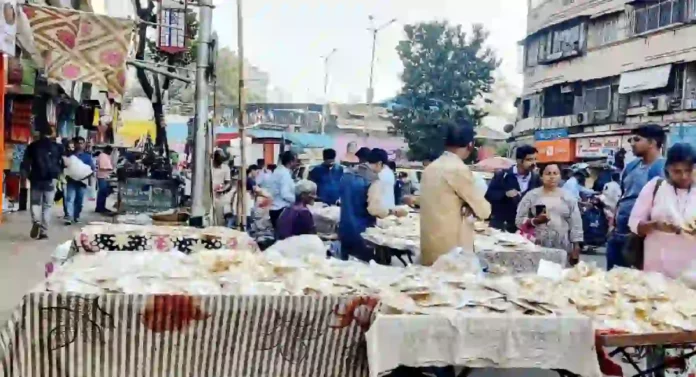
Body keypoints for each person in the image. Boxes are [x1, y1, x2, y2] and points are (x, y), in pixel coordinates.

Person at [420, 121, 492, 266]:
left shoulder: (431, 168)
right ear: (470, 145)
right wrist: (469, 205)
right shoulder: (457, 169)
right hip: (451, 250)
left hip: (429, 243)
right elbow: (484, 211)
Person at [629, 143, 696, 278]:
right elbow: (633, 223)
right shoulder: (656, 186)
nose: (683, 176)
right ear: (667, 169)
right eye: (677, 171)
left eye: (688, 170)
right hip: (657, 270)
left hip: (691, 272)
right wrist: (655, 225)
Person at [607, 124, 666, 269]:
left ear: (652, 143)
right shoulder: (631, 166)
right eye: (631, 140)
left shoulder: (663, 169)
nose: (632, 144)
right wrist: (612, 224)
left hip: (639, 239)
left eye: (637, 139)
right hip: (618, 234)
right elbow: (623, 196)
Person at [339, 148, 408, 261]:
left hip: (344, 231)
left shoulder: (346, 175)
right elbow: (375, 210)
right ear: (379, 163)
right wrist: (394, 212)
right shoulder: (373, 180)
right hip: (363, 234)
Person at [516, 164, 584, 265]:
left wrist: (576, 248)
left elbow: (576, 224)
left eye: (555, 173)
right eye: (548, 174)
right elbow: (518, 221)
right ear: (541, 176)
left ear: (560, 176)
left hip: (562, 248)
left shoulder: (568, 198)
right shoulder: (531, 196)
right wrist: (535, 221)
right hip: (536, 247)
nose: (552, 177)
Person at [485, 145, 541, 233]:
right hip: (502, 227)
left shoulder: (536, 179)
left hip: (525, 229)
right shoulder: (503, 176)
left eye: (535, 159)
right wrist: (505, 194)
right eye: (529, 160)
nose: (533, 163)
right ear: (519, 161)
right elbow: (489, 195)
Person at [21, 130, 63, 239]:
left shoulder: (32, 146)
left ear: (40, 134)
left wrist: (25, 175)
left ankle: (36, 220)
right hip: (50, 179)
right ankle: (43, 232)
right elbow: (63, 162)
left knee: (35, 203)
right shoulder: (57, 147)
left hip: (36, 179)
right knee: (48, 206)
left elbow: (26, 163)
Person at [65, 136, 94, 225]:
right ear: (75, 144)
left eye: (82, 143)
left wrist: (90, 180)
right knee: (69, 199)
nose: (80, 145)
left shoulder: (87, 157)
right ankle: (69, 217)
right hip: (71, 181)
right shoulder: (70, 155)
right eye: (78, 143)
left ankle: (76, 216)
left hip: (82, 182)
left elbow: (92, 169)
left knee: (79, 201)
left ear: (84, 144)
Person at [269, 151, 299, 229]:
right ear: (291, 161)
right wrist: (298, 200)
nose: (296, 163)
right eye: (296, 161)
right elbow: (285, 194)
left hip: (275, 208)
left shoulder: (278, 171)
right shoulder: (284, 173)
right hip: (281, 209)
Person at [211, 149, 232, 226]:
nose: (220, 163)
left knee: (219, 216)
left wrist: (223, 189)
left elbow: (228, 183)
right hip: (208, 194)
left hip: (218, 195)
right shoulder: (209, 166)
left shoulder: (225, 168)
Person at [95, 145, 114, 213]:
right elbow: (102, 167)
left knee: (104, 193)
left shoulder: (106, 156)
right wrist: (110, 169)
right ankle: (100, 208)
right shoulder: (102, 156)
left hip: (105, 176)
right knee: (102, 192)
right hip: (102, 176)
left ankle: (102, 207)